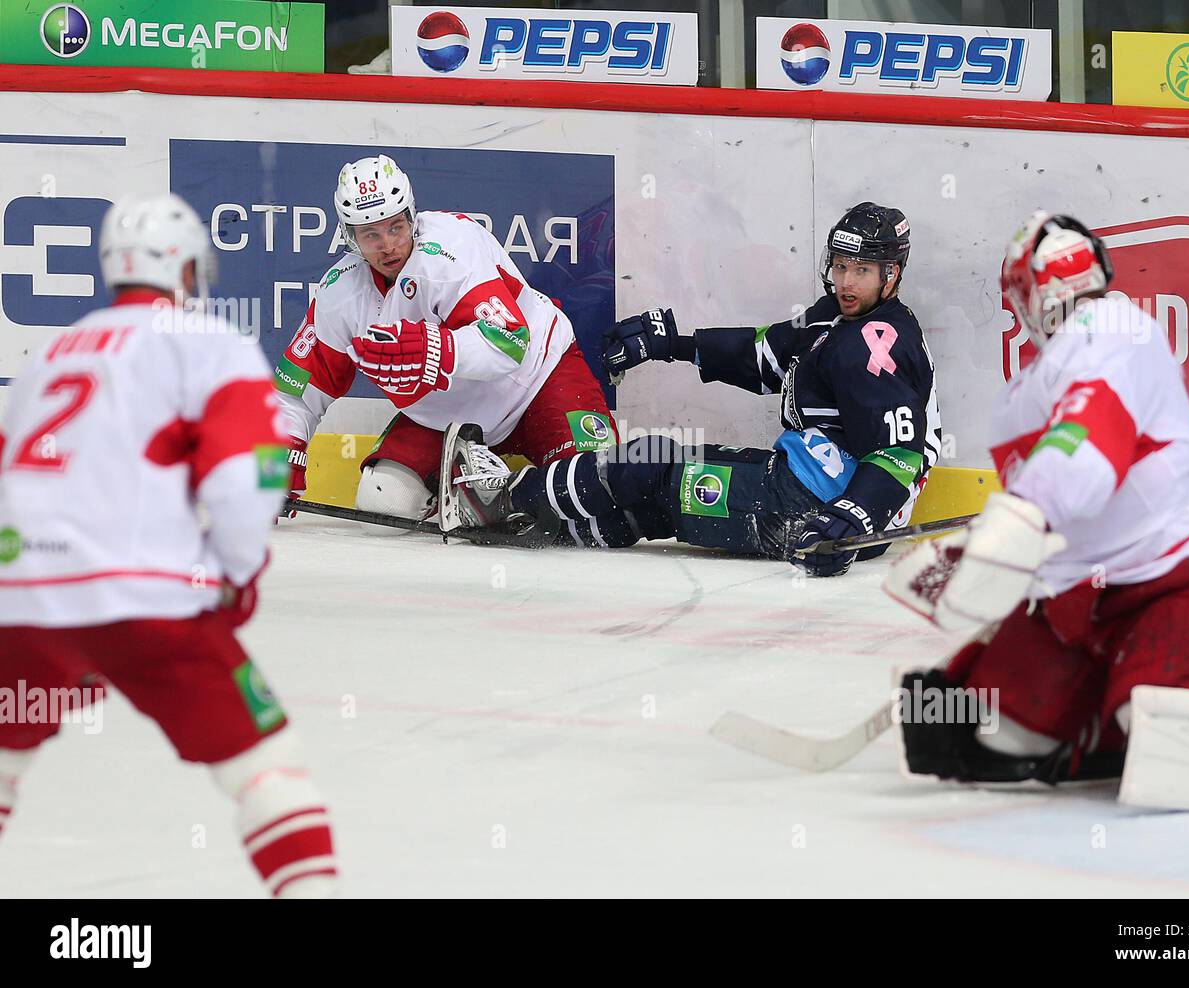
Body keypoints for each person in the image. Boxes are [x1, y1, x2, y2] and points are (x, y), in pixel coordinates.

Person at [0, 195, 338, 896]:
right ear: (186, 267)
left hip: (20, 602)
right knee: (264, 767)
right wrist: (236, 573)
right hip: (147, 599)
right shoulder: (209, 344)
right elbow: (250, 475)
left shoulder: (50, 354)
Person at [883, 212, 1189, 809]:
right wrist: (999, 568)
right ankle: (1104, 722)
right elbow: (1061, 504)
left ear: (1024, 293)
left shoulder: (1114, 328)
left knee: (1161, 713)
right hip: (1078, 605)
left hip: (1174, 582)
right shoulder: (1029, 391)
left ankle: (1145, 714)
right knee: (978, 729)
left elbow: (1083, 458)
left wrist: (1017, 520)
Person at [440, 202, 942, 577]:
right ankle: (549, 525)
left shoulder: (878, 341)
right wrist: (670, 345)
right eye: (840, 267)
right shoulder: (834, 315)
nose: (846, 282)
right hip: (798, 487)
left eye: (862, 271)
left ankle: (502, 500)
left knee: (648, 463)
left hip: (812, 512)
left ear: (891, 274)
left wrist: (851, 522)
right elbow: (765, 357)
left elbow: (899, 454)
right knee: (652, 506)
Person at [274, 154, 614, 533]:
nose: (388, 246)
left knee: (593, 491)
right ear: (351, 236)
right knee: (382, 505)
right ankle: (481, 490)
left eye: (395, 228)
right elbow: (296, 393)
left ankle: (496, 493)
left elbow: (510, 343)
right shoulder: (339, 294)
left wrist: (436, 349)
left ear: (411, 215)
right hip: (449, 421)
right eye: (371, 234)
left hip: (539, 378)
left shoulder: (453, 251)